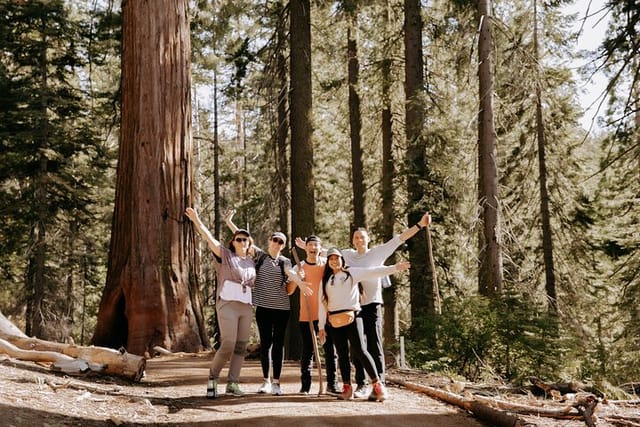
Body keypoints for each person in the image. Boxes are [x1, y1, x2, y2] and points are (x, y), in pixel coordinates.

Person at [343, 212, 432, 398]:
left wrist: (419, 225)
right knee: (357, 346)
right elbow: (326, 256)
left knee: (374, 344)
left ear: (368, 239)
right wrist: (308, 248)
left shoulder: (377, 252)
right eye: (356, 238)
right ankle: (361, 384)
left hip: (373, 304)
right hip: (354, 306)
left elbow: (399, 239)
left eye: (362, 237)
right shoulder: (347, 255)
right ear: (353, 241)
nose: (359, 240)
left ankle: (379, 382)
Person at [317, 248, 410, 402]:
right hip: (334, 320)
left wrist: (394, 268)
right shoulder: (326, 280)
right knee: (342, 354)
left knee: (360, 350)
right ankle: (347, 388)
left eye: (337, 258)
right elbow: (322, 304)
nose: (334, 261)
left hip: (353, 317)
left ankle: (377, 385)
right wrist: (321, 326)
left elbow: (373, 272)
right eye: (331, 258)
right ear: (328, 262)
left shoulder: (352, 273)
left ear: (342, 259)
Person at [185, 207, 255, 399]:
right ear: (233, 242)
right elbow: (208, 237)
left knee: (241, 346)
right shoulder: (225, 255)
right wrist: (197, 220)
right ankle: (212, 378)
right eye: (238, 239)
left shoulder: (251, 261)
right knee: (228, 344)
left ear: (249, 243)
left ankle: (233, 383)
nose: (242, 241)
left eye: (245, 239)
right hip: (227, 305)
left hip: (246, 307)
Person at [223, 209, 292, 396]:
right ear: (270, 241)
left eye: (281, 242)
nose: (277, 243)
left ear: (283, 246)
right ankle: (266, 381)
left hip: (282, 309)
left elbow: (291, 276)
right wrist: (229, 222)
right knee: (266, 343)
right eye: (274, 240)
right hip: (263, 308)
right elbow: (242, 240)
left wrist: (299, 280)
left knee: (278, 344)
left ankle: (277, 382)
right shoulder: (260, 256)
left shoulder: (286, 261)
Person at [287, 235, 340, 395]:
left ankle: (332, 384)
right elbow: (289, 291)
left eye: (316, 245)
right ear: (306, 249)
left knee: (331, 350)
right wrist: (298, 280)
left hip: (327, 314)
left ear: (319, 248)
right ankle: (305, 386)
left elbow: (335, 259)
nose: (313, 248)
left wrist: (314, 248)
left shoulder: (326, 264)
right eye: (310, 245)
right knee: (308, 351)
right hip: (307, 316)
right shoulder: (299, 267)